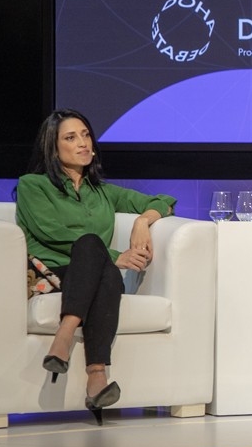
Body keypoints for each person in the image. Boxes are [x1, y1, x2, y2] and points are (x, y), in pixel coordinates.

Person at [16, 109, 176, 425]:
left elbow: (164, 200)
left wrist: (144, 220)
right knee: (91, 246)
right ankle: (93, 371)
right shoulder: (32, 185)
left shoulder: (102, 191)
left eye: (86, 135)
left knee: (104, 272)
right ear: (53, 147)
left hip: (95, 276)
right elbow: (53, 232)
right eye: (71, 137)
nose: (83, 143)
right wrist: (115, 255)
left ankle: (81, 360)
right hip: (52, 273)